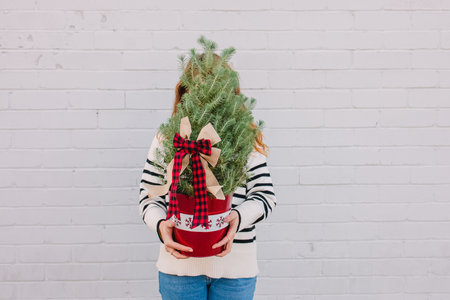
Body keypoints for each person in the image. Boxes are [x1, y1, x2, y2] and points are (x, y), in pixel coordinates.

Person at [138, 53, 277, 300]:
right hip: (179, 271)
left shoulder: (244, 137)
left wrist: (237, 217)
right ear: (187, 92)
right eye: (200, 89)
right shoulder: (169, 138)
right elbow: (149, 196)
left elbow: (264, 196)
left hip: (236, 272)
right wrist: (161, 227)